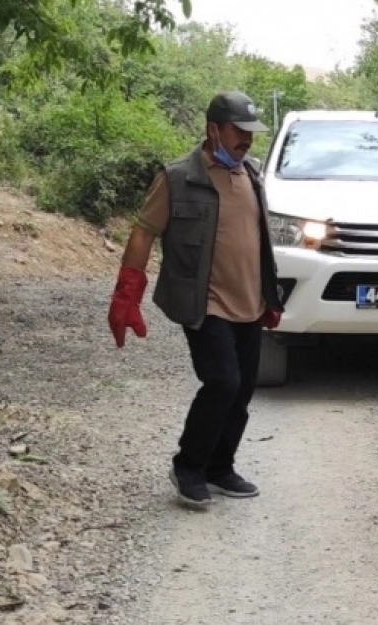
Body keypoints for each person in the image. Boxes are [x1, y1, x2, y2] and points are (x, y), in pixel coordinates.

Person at [107, 91, 284, 509]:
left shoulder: (252, 175)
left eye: (251, 133)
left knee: (242, 392)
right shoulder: (177, 177)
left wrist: (271, 296)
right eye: (239, 131)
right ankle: (188, 466)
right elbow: (142, 233)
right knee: (222, 382)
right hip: (205, 303)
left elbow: (258, 242)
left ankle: (220, 468)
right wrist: (126, 295)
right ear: (213, 129)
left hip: (250, 302)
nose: (247, 140)